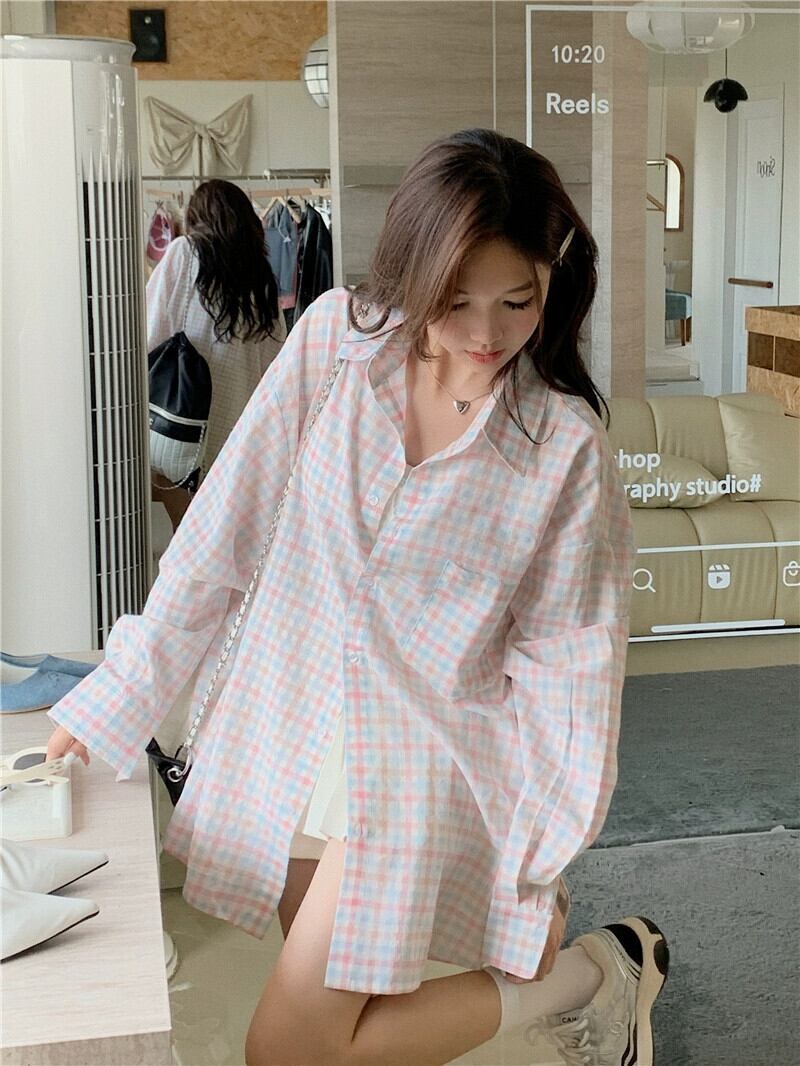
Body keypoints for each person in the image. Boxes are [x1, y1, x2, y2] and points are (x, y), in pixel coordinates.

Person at [47, 129, 668, 1066]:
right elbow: (221, 534)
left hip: (418, 761)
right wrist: (117, 691)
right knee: (344, 1035)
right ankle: (607, 973)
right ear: (415, 270)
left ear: (553, 277)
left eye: (517, 300)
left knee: (288, 1048)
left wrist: (536, 863)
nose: (487, 334)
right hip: (290, 728)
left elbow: (570, 671)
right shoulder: (336, 343)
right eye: (456, 300)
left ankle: (595, 974)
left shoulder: (563, 447)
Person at [147, 178, 286, 530]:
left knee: (185, 526)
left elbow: (150, 332)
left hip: (183, 416)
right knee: (215, 532)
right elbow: (274, 360)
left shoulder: (184, 252)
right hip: (237, 428)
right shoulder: (260, 277)